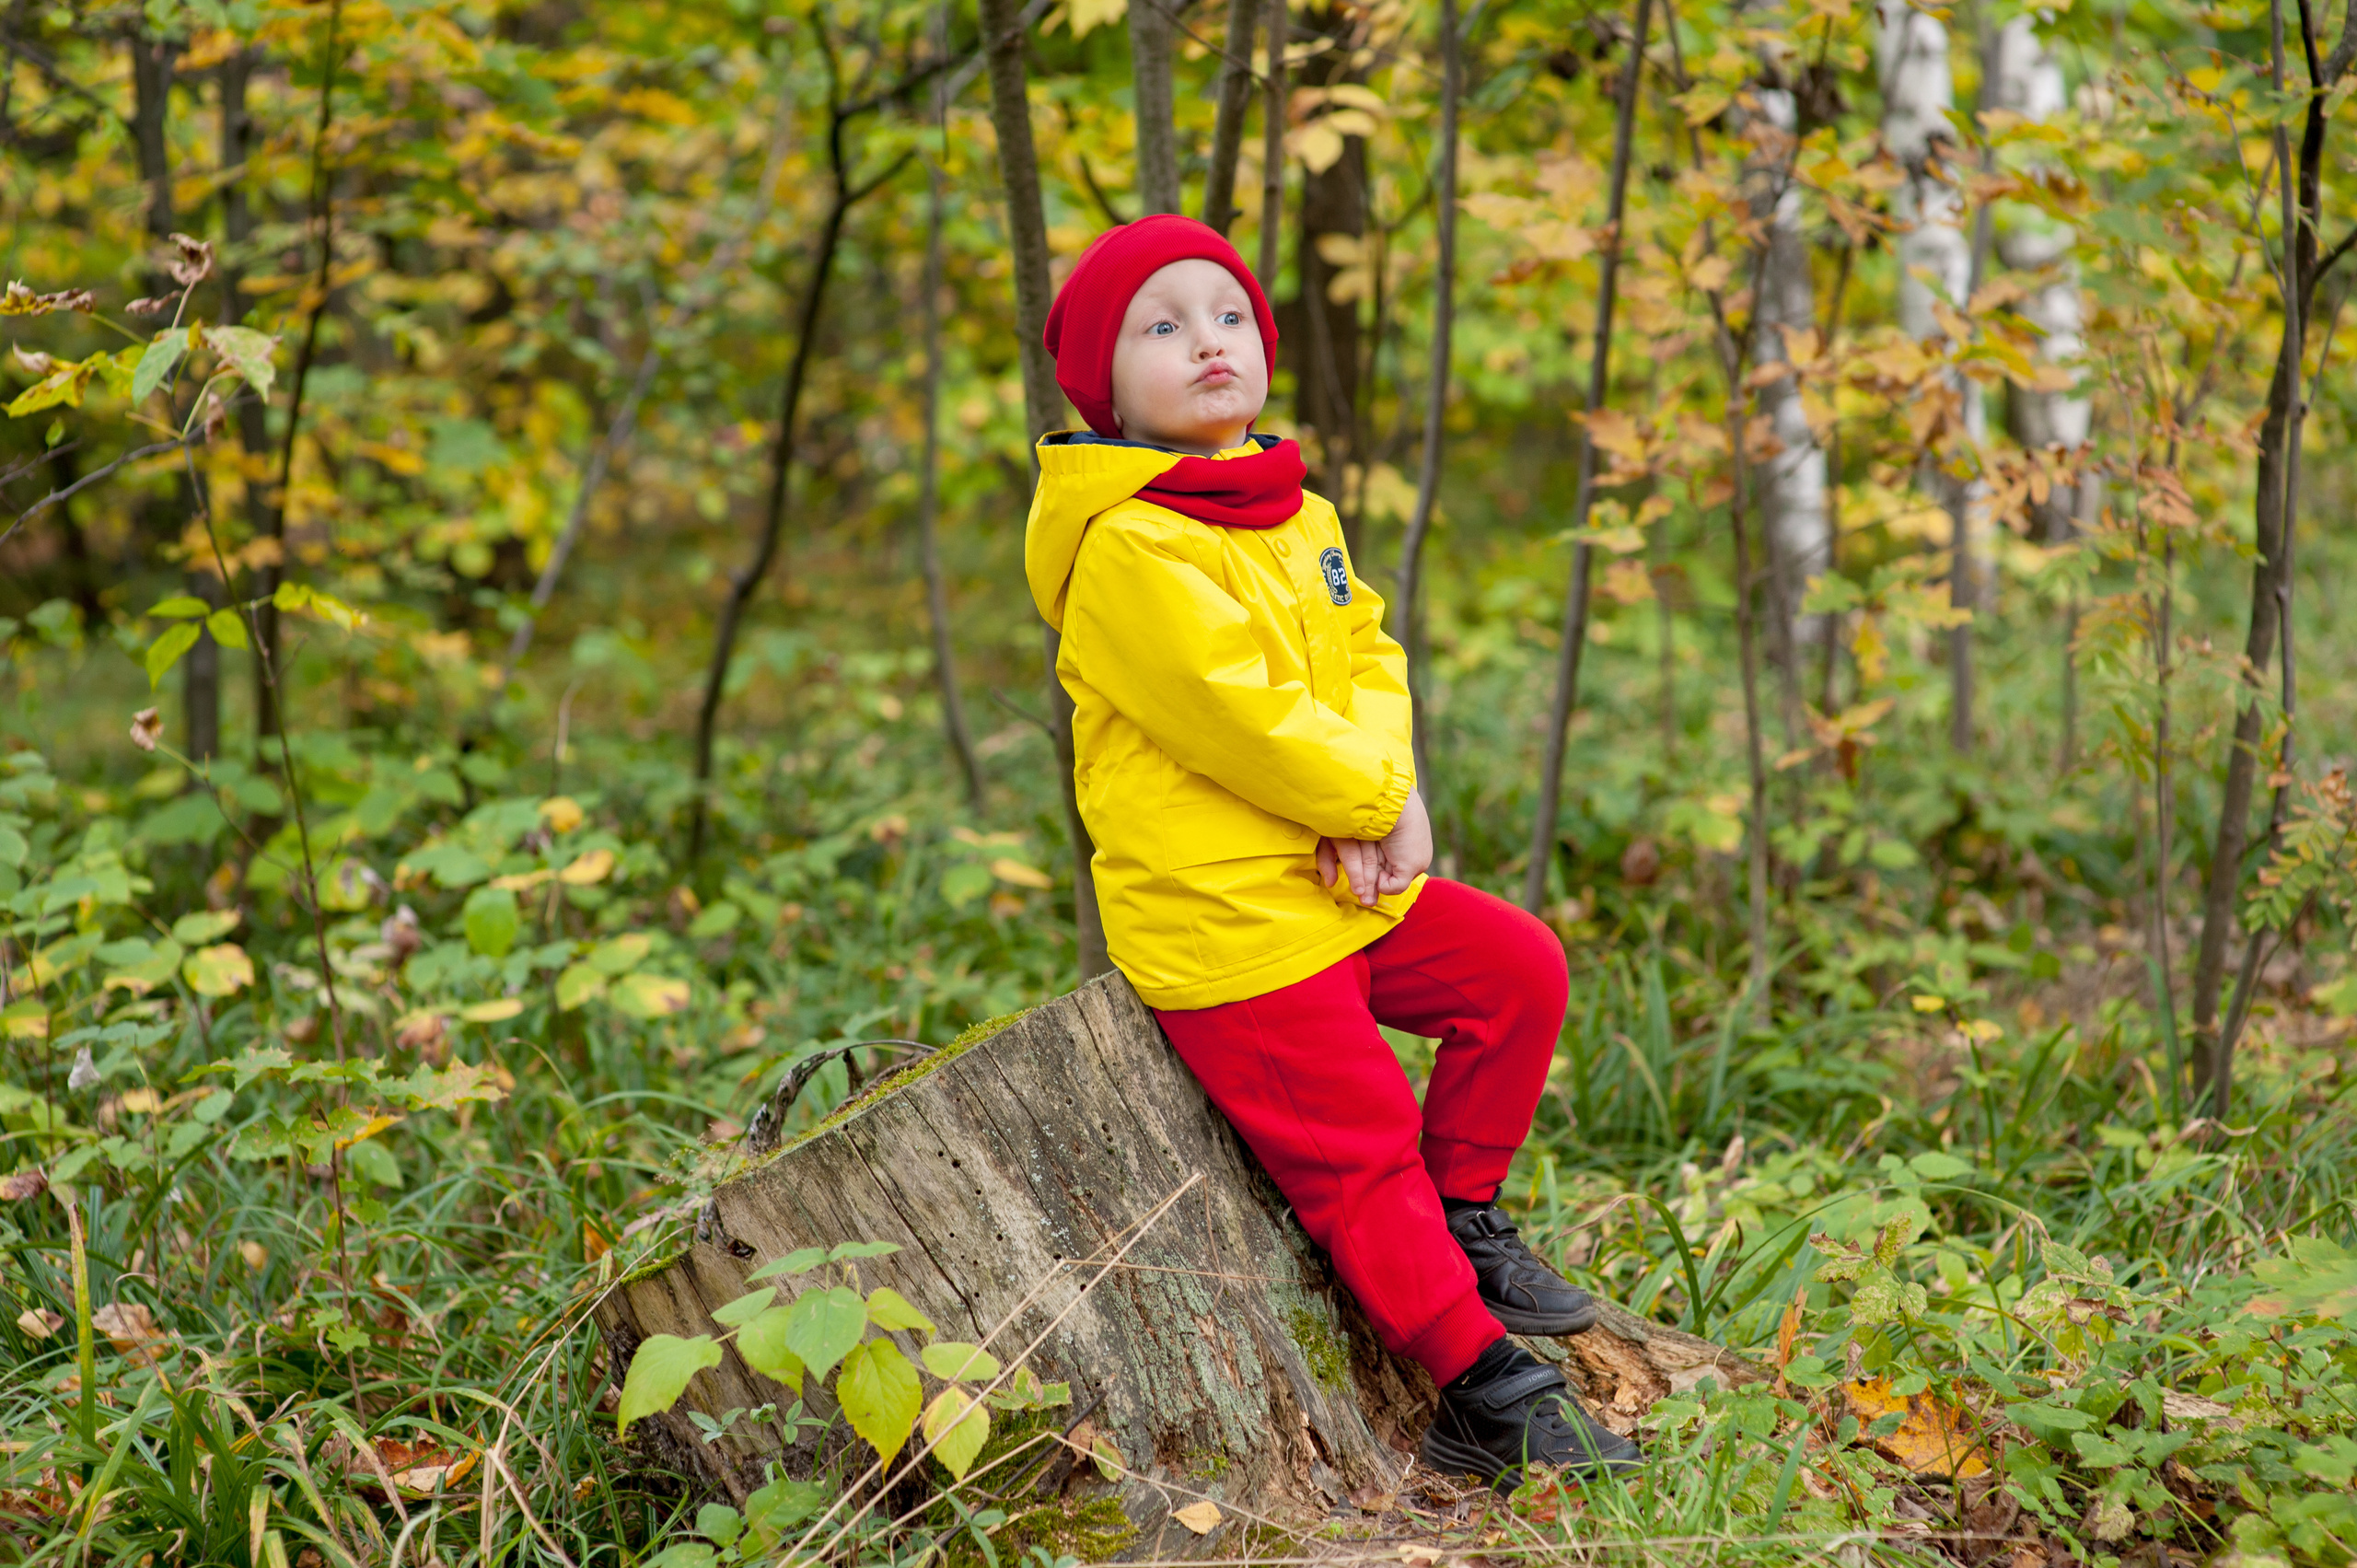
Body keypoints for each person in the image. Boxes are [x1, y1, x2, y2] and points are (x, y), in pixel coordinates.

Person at [1022, 214, 1638, 1489]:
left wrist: (1387, 801)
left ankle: (1465, 1219)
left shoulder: (1292, 507)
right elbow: (1237, 716)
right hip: (1228, 926)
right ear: (1104, 383)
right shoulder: (1128, 545)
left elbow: (1367, 660)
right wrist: (1366, 804)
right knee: (1360, 1152)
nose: (1209, 343)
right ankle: (1481, 1389)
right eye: (1163, 326)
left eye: (1230, 316)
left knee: (1513, 970)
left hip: (1332, 868)